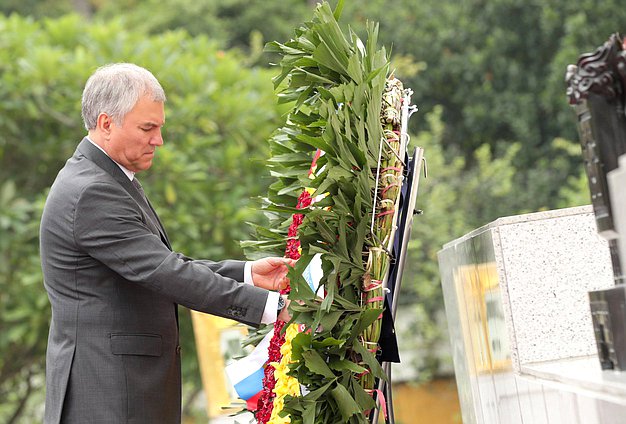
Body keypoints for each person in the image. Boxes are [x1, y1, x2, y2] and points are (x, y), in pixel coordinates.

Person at [40, 63, 292, 424]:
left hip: (121, 390)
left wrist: (248, 274)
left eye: (159, 127)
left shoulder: (105, 177)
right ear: (107, 122)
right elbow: (166, 273)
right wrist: (273, 307)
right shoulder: (93, 190)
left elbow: (158, 263)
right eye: (148, 128)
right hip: (110, 396)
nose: (158, 140)